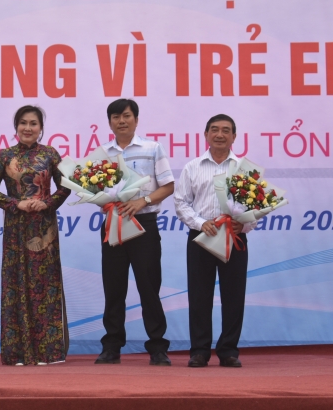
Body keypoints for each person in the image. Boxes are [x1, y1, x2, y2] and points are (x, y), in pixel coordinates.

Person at [0, 105, 71, 366]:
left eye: (33, 123)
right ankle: (18, 352)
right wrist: (14, 204)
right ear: (16, 127)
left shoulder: (50, 154)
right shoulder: (4, 155)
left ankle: (49, 351)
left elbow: (67, 185)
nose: (28, 128)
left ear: (41, 128)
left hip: (44, 228)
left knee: (44, 284)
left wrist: (48, 203)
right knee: (16, 283)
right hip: (16, 228)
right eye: (23, 123)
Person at [94, 99, 175, 366]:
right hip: (113, 223)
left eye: (126, 116)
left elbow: (167, 186)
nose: (121, 121)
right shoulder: (101, 152)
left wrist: (144, 201)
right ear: (110, 123)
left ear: (136, 119)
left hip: (144, 225)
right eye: (115, 117)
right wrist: (101, 200)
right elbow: (92, 187)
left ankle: (157, 347)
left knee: (149, 287)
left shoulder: (152, 148)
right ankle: (112, 345)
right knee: (113, 287)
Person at [174, 114, 255, 368]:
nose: (220, 134)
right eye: (215, 130)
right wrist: (200, 223)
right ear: (206, 134)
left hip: (234, 238)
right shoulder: (192, 167)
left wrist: (246, 224)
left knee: (233, 296)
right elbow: (181, 202)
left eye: (226, 130)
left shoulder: (245, 169)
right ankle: (199, 351)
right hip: (201, 237)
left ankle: (229, 350)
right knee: (199, 296)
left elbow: (255, 206)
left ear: (234, 136)